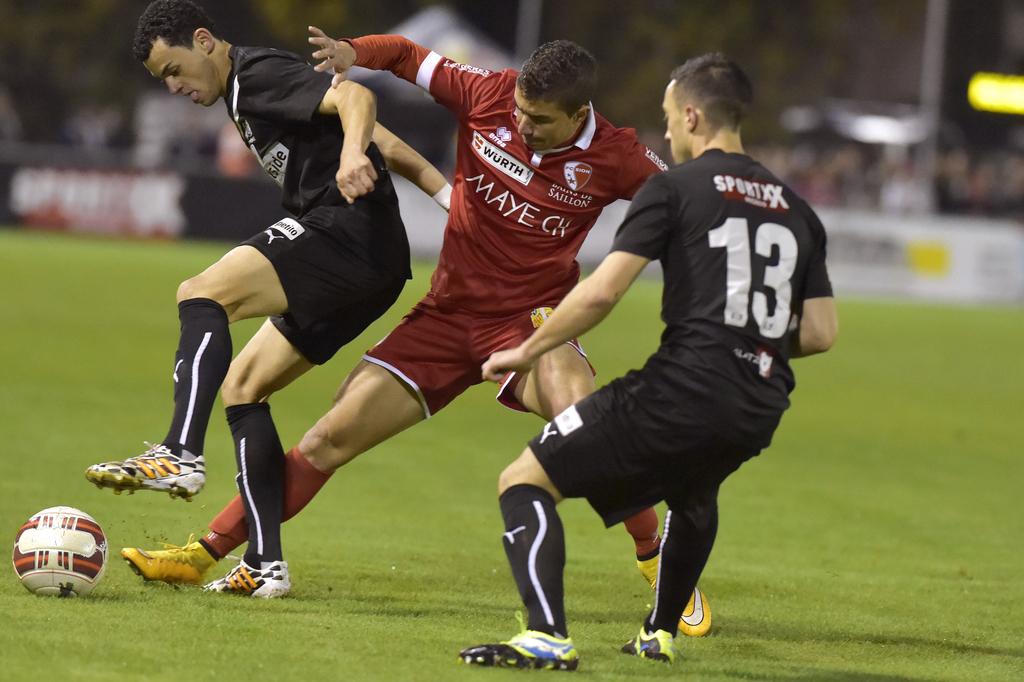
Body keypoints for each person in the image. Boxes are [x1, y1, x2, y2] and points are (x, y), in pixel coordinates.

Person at [120, 30, 711, 632]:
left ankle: (659, 559)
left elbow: (686, 207)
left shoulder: (617, 156)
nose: (524, 129)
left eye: (540, 121)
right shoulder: (488, 93)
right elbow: (406, 55)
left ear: (580, 114)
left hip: (529, 322)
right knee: (328, 439)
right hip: (445, 316)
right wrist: (355, 53)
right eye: (520, 114)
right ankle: (208, 552)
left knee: (579, 415)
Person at [458, 53, 838, 670]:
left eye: (668, 118)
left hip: (683, 388)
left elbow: (603, 290)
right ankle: (658, 633)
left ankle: (547, 636)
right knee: (694, 491)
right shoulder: (797, 210)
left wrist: (528, 349)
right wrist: (750, 337)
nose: (664, 133)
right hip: (759, 402)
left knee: (524, 480)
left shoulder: (675, 188)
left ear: (692, 114)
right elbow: (820, 332)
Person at [84, 0, 449, 595]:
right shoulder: (241, 92)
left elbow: (358, 100)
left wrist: (354, 154)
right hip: (374, 267)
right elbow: (381, 136)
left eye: (173, 69)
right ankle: (265, 565)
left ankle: (180, 451)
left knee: (201, 293)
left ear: (203, 41)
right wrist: (450, 200)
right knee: (245, 387)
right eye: (162, 81)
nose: (174, 86)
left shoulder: (253, 75)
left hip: (346, 235)